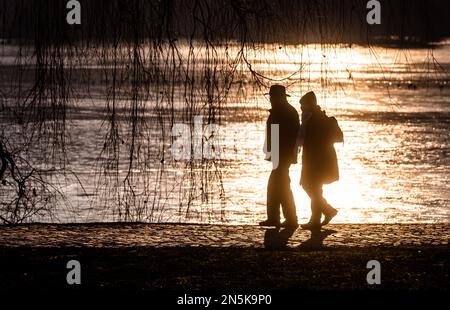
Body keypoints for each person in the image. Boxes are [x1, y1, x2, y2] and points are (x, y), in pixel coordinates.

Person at [297, 91, 343, 230]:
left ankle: (326, 211)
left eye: (303, 105)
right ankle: (316, 218)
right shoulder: (314, 117)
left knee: (309, 185)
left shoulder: (313, 119)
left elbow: (306, 139)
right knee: (315, 188)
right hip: (318, 159)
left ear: (309, 105)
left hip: (316, 160)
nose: (301, 108)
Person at [259, 85, 300, 228]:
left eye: (273, 97)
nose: (271, 99)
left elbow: (288, 136)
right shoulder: (282, 111)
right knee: (278, 185)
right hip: (279, 154)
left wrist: (277, 152)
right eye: (270, 97)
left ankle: (288, 219)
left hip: (283, 154)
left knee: (279, 185)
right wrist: (270, 151)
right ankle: (278, 218)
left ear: (280, 98)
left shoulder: (286, 112)